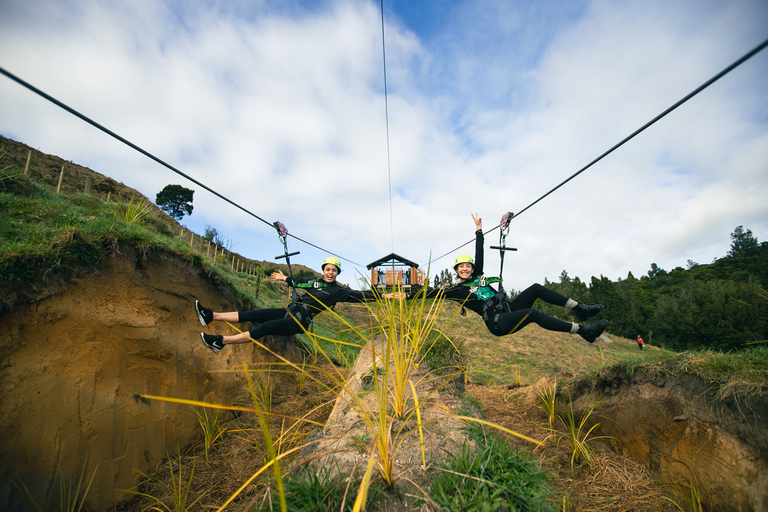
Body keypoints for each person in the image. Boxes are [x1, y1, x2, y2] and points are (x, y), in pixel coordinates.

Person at [415, 214, 609, 343]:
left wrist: (479, 230)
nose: (465, 269)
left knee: (536, 288)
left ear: (472, 268)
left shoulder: (479, 277)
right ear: (457, 271)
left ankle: (579, 308)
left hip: (507, 308)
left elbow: (479, 253)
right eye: (461, 267)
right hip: (498, 322)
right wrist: (404, 295)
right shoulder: (457, 291)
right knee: (533, 313)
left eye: (468, 266)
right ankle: (583, 331)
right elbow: (430, 293)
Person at [195, 257, 395, 353]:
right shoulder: (316, 282)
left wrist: (386, 296)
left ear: (338, 273)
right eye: (328, 269)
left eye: (334, 270)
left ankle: (220, 342)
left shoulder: (339, 291)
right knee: (255, 313)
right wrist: (285, 278)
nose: (330, 272)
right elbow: (300, 282)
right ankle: (210, 316)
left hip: (298, 321)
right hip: (290, 311)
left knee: (266, 327)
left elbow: (362, 295)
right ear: (323, 270)